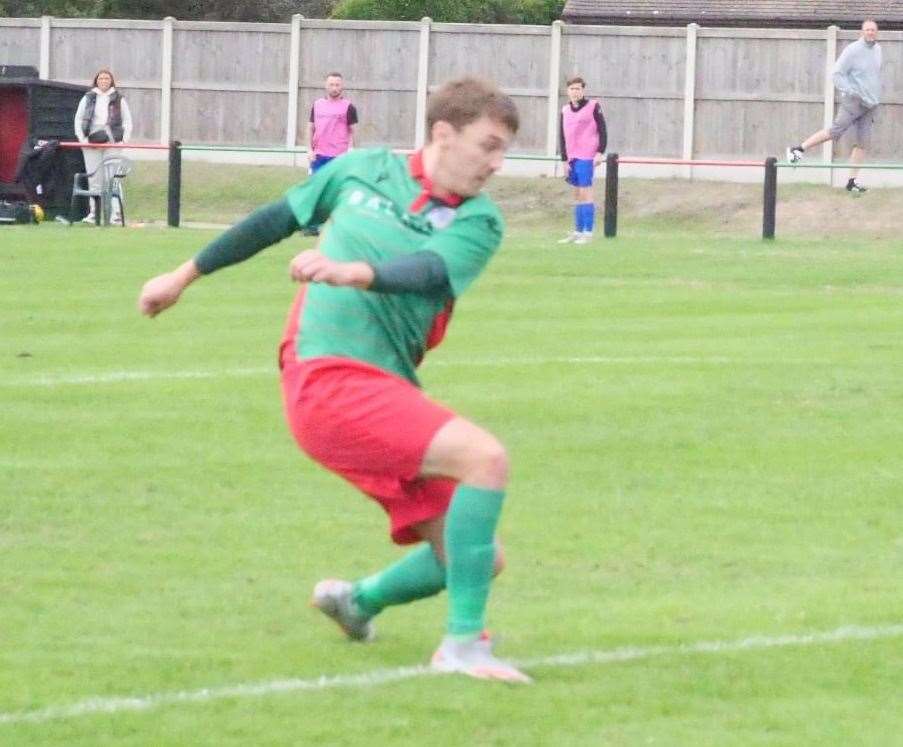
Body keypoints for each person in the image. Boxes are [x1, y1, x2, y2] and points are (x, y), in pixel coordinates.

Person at [137, 77, 531, 684]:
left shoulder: (480, 223)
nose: (498, 163)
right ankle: (463, 647)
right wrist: (182, 275)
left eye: (504, 150)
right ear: (444, 134)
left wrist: (356, 271)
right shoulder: (360, 170)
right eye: (489, 145)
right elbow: (275, 220)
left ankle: (358, 601)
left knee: (478, 557)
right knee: (485, 459)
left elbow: (428, 272)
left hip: (386, 389)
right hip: (327, 376)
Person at [786, 18, 882, 195]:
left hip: (871, 105)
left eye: (873, 30)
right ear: (862, 32)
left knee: (862, 144)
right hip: (853, 102)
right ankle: (798, 149)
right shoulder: (852, 51)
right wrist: (851, 90)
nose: (870, 32)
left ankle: (852, 182)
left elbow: (873, 76)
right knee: (835, 131)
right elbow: (836, 74)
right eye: (867, 30)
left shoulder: (877, 50)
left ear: (876, 32)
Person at [73, 68, 133, 224]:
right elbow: (79, 120)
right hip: (91, 141)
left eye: (107, 78)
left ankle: (116, 214)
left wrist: (123, 140)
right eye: (101, 79)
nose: (104, 81)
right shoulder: (88, 98)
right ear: (96, 81)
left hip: (113, 141)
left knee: (112, 178)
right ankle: (94, 213)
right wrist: (83, 139)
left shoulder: (119, 99)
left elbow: (127, 121)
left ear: (111, 81)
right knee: (94, 178)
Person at [304, 72, 358, 236]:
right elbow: (310, 127)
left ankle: (339, 226)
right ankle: (313, 226)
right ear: (326, 86)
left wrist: (351, 150)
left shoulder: (348, 107)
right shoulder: (317, 105)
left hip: (339, 156)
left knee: (338, 193)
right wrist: (309, 149)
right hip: (319, 156)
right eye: (331, 84)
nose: (334, 88)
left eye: (337, 85)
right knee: (315, 190)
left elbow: (353, 131)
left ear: (342, 87)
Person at [557, 76, 607, 245]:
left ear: (583, 90)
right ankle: (578, 231)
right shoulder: (564, 110)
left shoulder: (593, 106)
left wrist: (600, 152)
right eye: (572, 89)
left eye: (578, 89)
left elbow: (602, 129)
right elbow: (562, 136)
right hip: (572, 157)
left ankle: (588, 231)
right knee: (577, 194)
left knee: (586, 192)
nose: (575, 92)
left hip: (587, 155)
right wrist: (564, 160)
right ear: (567, 91)